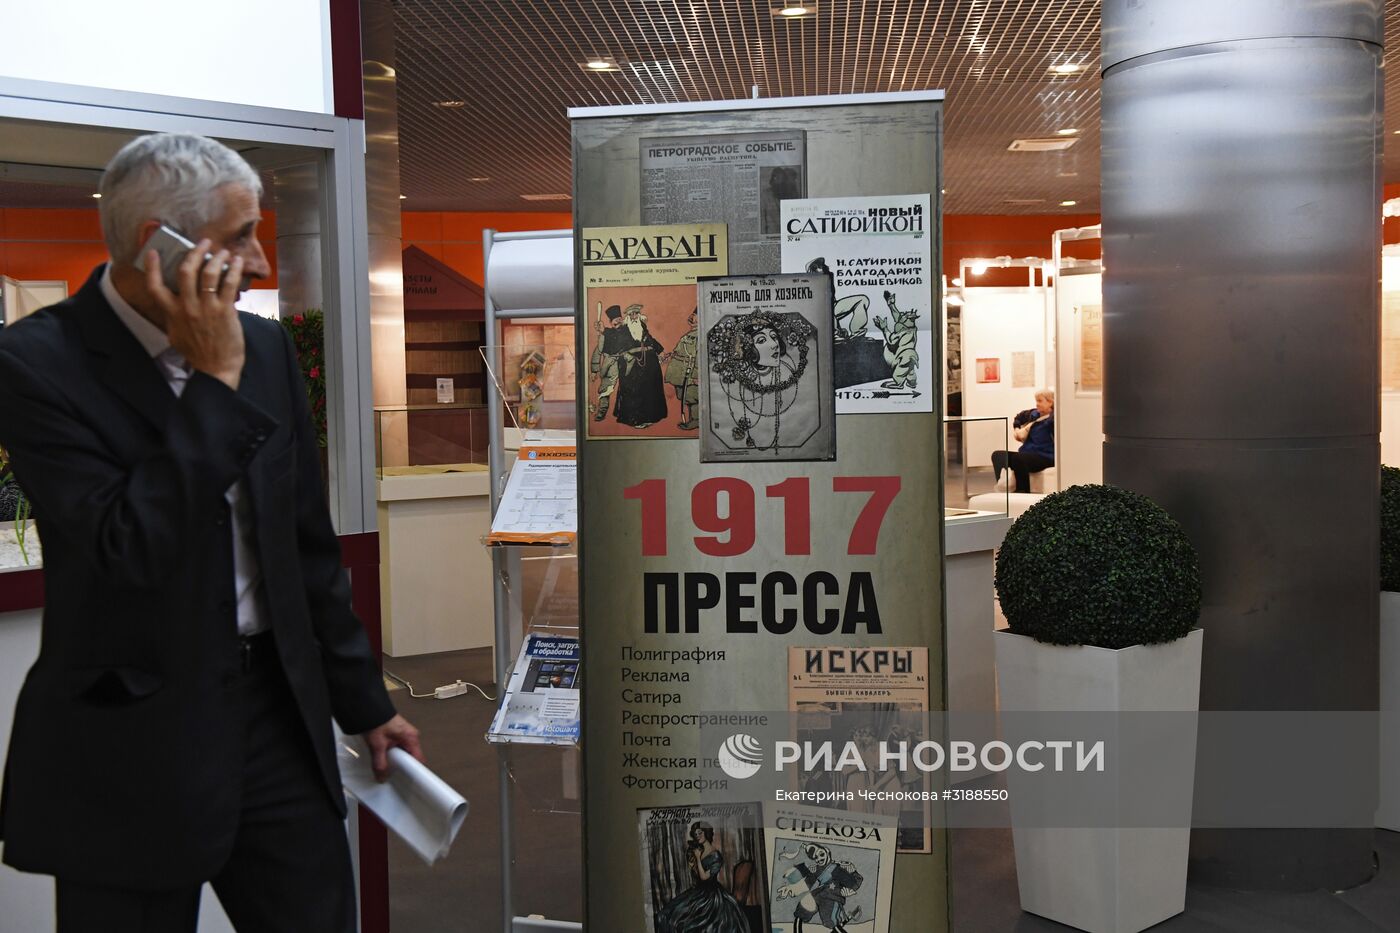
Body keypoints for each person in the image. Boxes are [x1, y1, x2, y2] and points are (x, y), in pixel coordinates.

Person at [0, 133, 421, 933]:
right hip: (129, 741)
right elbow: (127, 547)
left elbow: (305, 546)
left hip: (275, 715)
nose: (260, 262)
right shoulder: (36, 362)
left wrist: (364, 701)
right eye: (239, 236)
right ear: (155, 244)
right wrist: (215, 386)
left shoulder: (262, 344)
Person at [656, 821, 749, 933]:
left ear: (706, 832)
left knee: (689, 924)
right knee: (665, 914)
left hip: (711, 896)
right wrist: (692, 864)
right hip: (698, 891)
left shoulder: (716, 856)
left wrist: (698, 859)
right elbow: (697, 876)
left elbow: (704, 877)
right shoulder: (698, 851)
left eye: (700, 833)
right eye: (695, 834)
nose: (697, 836)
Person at [608, 302, 668, 428]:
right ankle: (636, 420)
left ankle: (651, 417)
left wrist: (660, 350)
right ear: (628, 316)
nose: (634, 316)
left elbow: (650, 339)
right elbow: (616, 346)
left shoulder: (642, 326)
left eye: (636, 314)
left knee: (651, 389)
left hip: (649, 363)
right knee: (636, 391)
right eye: (631, 314)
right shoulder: (622, 330)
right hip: (632, 365)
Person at [992, 389, 1055, 493]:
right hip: (1029, 453)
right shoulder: (1034, 414)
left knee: (1019, 459)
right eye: (1036, 401)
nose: (1037, 404)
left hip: (1046, 456)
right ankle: (1004, 488)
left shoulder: (1053, 419)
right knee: (998, 455)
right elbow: (1019, 417)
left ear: (1050, 402)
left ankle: (1023, 491)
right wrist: (1017, 429)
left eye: (1040, 401)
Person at [662, 308, 700, 430]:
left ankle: (696, 420)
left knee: (692, 397)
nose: (692, 317)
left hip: (690, 372)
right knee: (684, 396)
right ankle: (693, 419)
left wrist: (696, 376)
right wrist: (671, 355)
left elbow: (699, 358)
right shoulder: (690, 334)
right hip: (679, 372)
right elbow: (682, 351)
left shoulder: (700, 336)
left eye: (695, 315)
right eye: (692, 314)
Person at [590, 304, 623, 421]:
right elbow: (598, 351)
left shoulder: (628, 332)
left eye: (620, 319)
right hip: (610, 365)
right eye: (615, 320)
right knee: (605, 389)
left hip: (626, 363)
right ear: (610, 322)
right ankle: (602, 411)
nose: (618, 322)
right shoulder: (606, 334)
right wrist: (594, 370)